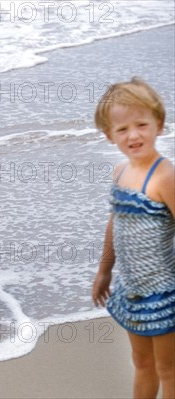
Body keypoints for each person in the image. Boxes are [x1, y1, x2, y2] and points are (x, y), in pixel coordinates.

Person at [92, 77, 174, 399]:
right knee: (141, 361)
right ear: (109, 135)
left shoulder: (165, 177)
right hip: (131, 289)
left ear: (159, 125)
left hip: (164, 292)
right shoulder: (120, 173)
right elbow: (116, 224)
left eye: (142, 124)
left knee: (169, 369)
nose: (133, 135)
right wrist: (104, 271)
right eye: (122, 129)